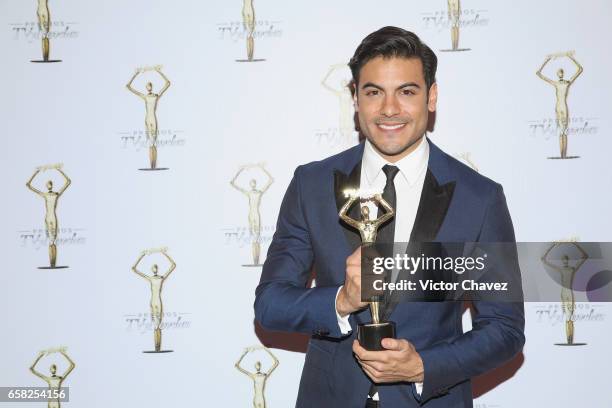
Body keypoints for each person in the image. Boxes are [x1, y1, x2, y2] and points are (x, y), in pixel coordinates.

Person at [254, 26, 524, 407]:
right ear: (355, 98)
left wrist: (423, 367)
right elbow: (270, 304)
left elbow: (504, 328)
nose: (389, 109)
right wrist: (341, 302)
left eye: (407, 92)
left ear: (431, 97)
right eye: (374, 92)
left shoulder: (479, 198)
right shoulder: (310, 185)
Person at [536, 51, 583, 158]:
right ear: (558, 75)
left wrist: (571, 57)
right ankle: (562, 155)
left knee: (564, 131)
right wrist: (546, 60)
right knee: (560, 132)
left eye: (561, 72)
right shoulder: (556, 83)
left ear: (563, 74)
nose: (560, 73)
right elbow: (538, 74)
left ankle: (564, 155)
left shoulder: (567, 83)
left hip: (563, 107)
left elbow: (580, 69)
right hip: (558, 107)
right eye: (559, 72)